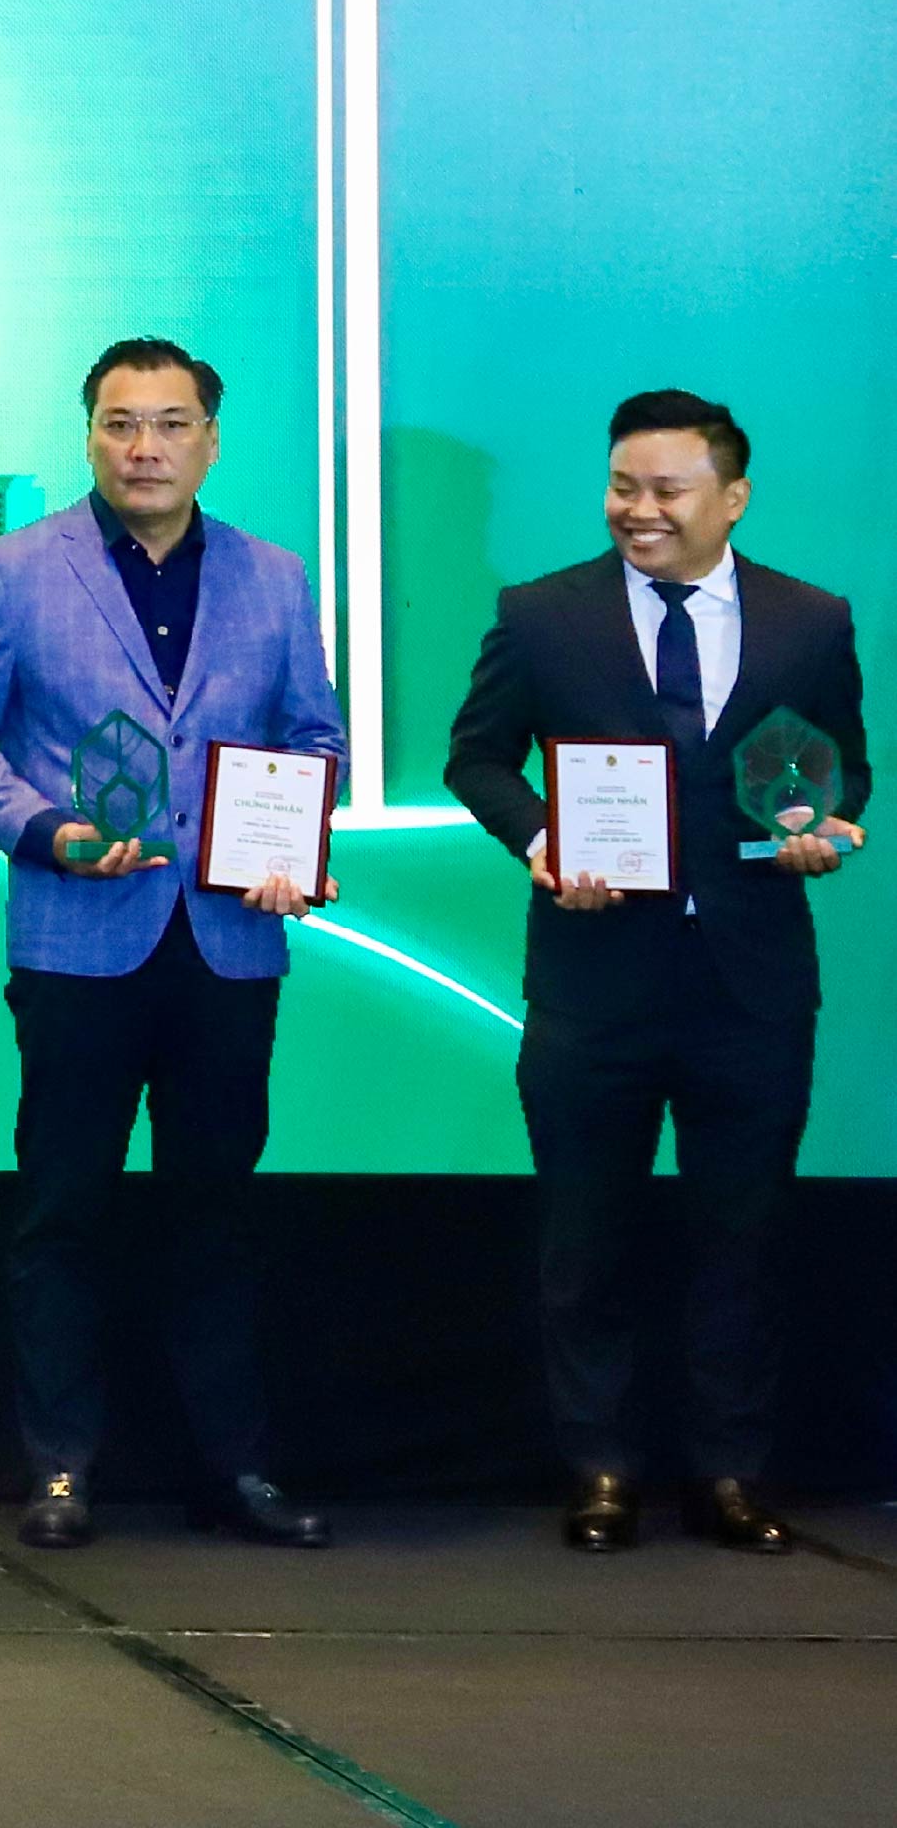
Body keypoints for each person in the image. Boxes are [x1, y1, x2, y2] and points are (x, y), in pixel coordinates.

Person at [0, 338, 346, 1552]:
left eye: (169, 422)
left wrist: (297, 844)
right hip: (76, 940)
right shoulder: (13, 570)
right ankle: (61, 1465)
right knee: (64, 1212)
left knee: (217, 1216)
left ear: (211, 439)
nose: (143, 446)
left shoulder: (275, 576)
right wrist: (44, 828)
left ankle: (235, 1469)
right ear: (89, 435)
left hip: (229, 941)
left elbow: (313, 735)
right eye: (119, 422)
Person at [443, 390, 864, 1554]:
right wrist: (542, 839)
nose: (640, 509)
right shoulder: (543, 614)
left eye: (668, 489)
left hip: (751, 983)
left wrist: (822, 827)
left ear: (733, 496)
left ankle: (729, 1470)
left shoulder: (811, 618)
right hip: (593, 981)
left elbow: (843, 766)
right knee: (586, 1239)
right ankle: (602, 1468)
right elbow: (477, 757)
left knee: (743, 1236)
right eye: (623, 486)